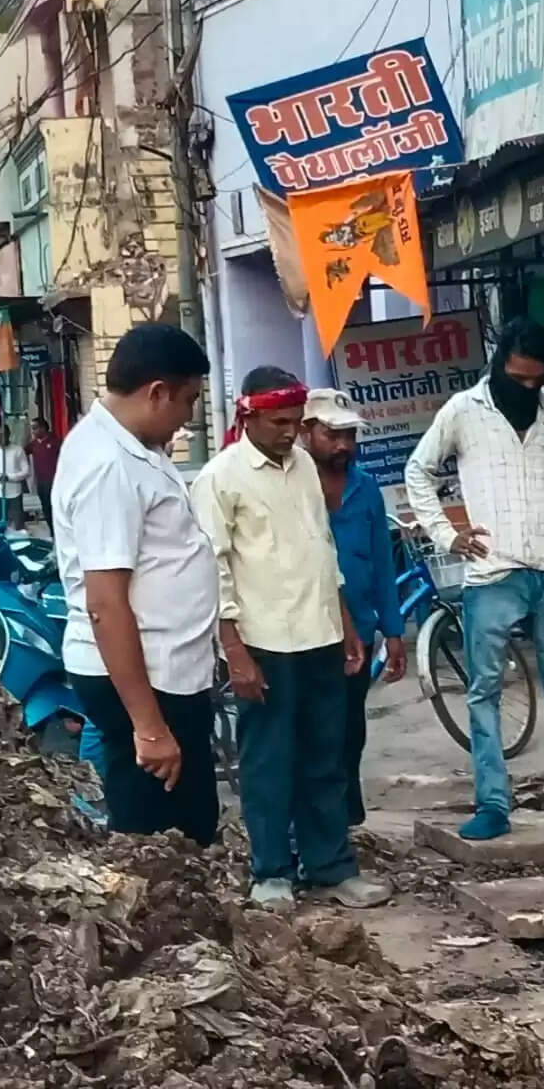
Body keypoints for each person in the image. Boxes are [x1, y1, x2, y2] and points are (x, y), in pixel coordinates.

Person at [403, 321, 544, 842]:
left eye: (535, 381)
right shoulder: (463, 410)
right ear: (499, 365)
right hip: (490, 572)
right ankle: (493, 806)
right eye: (517, 378)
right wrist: (448, 535)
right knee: (484, 691)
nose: (526, 389)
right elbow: (419, 471)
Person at [201, 368, 382, 908]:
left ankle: (330, 865)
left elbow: (323, 548)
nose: (289, 432)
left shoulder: (304, 465)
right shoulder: (221, 478)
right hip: (265, 643)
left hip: (321, 633)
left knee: (327, 756)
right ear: (249, 416)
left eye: (295, 422)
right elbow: (215, 569)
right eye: (279, 422)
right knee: (269, 761)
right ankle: (271, 871)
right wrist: (234, 651)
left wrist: (346, 623)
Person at [55, 324, 225, 845]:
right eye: (188, 400)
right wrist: (148, 727)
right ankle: (167, 925)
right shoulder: (109, 466)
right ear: (157, 392)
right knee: (157, 834)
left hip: (168, 669)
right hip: (145, 678)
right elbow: (105, 603)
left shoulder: (133, 448)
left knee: (191, 820)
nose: (189, 417)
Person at [302, 391, 418, 844]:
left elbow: (382, 564)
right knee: (316, 732)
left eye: (348, 434)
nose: (342, 444)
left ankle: (345, 824)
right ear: (307, 432)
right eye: (332, 434)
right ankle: (314, 827)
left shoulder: (365, 486)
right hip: (307, 629)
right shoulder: (294, 485)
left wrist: (394, 632)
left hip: (362, 630)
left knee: (351, 729)